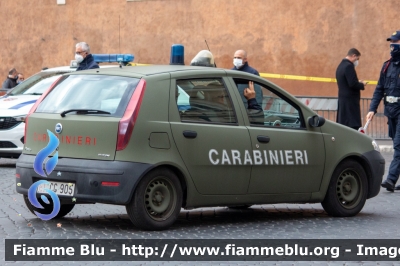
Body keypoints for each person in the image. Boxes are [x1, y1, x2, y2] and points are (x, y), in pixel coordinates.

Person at [367, 30, 400, 192]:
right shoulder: (386, 65)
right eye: (390, 42)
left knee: (399, 146)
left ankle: (391, 179)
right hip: (391, 111)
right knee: (396, 143)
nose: (392, 45)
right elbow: (379, 89)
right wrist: (372, 109)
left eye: (395, 42)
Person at [336, 48, 368, 130]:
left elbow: (346, 81)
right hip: (350, 103)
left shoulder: (341, 65)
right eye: (357, 59)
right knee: (352, 127)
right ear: (354, 55)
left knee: (344, 126)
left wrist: (357, 81)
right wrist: (362, 84)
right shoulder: (348, 66)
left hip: (343, 101)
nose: (357, 61)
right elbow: (352, 84)